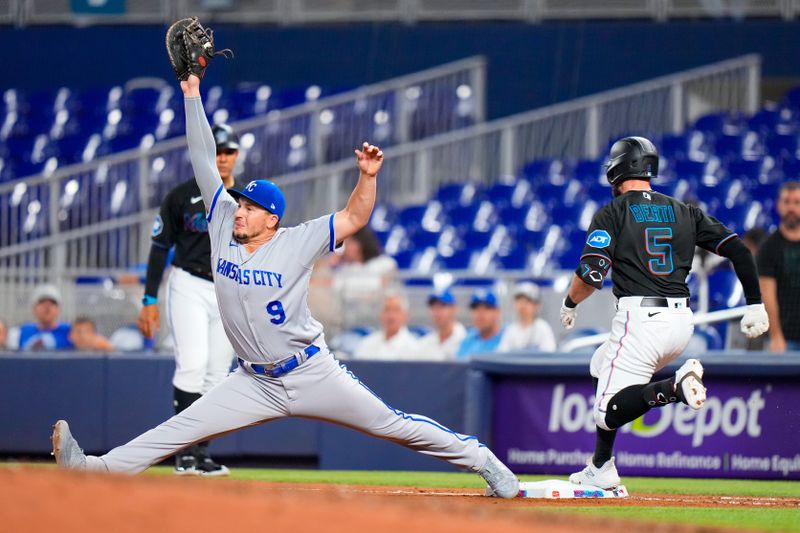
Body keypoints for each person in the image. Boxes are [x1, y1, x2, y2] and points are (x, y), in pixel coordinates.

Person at [51, 67, 518, 499]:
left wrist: (367, 177)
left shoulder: (298, 240)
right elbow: (201, 157)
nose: (239, 209)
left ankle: (484, 460)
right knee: (181, 427)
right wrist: (192, 93)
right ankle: (93, 470)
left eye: (250, 207)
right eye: (238, 203)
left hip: (311, 370)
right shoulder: (220, 226)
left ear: (271, 219)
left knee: (393, 425)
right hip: (253, 380)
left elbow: (355, 215)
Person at [559, 136, 768, 489]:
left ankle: (674, 387)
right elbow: (740, 251)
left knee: (605, 413)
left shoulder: (614, 211)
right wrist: (755, 304)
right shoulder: (684, 210)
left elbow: (592, 275)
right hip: (681, 322)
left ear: (618, 168)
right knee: (600, 364)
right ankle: (601, 465)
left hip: (641, 321)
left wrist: (569, 303)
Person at [137, 122, 242, 476]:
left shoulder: (243, 201)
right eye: (218, 151)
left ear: (237, 156)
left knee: (217, 376)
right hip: (189, 284)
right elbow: (159, 246)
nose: (223, 158)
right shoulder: (181, 196)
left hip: (227, 290)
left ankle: (201, 452)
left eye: (229, 152)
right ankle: (182, 451)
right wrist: (149, 297)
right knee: (193, 365)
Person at [758, 181, 800, 352]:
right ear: (779, 205)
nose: (791, 208)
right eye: (787, 202)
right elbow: (768, 296)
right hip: (784, 340)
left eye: (797, 202)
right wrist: (776, 336)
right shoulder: (769, 247)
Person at [353, 290, 421, 360]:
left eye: (396, 310)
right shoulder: (366, 344)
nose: (391, 315)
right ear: (380, 314)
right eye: (387, 309)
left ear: (406, 315)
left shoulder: (414, 348)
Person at [9, 284, 73, 351]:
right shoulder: (19, 333)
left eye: (52, 302)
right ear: (33, 308)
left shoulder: (70, 332)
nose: (47, 306)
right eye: (42, 302)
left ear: (59, 309)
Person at [498, 282, 557, 352]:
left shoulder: (543, 328)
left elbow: (549, 356)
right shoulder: (510, 330)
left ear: (537, 305)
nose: (523, 306)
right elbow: (502, 356)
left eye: (528, 301)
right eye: (519, 301)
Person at [417, 288, 467, 361]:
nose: (437, 312)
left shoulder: (466, 341)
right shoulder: (424, 342)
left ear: (454, 309)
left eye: (442, 306)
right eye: (433, 307)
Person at [456, 289, 504, 359]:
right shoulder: (467, 339)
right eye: (476, 308)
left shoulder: (508, 338)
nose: (480, 313)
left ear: (497, 312)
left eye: (487, 308)